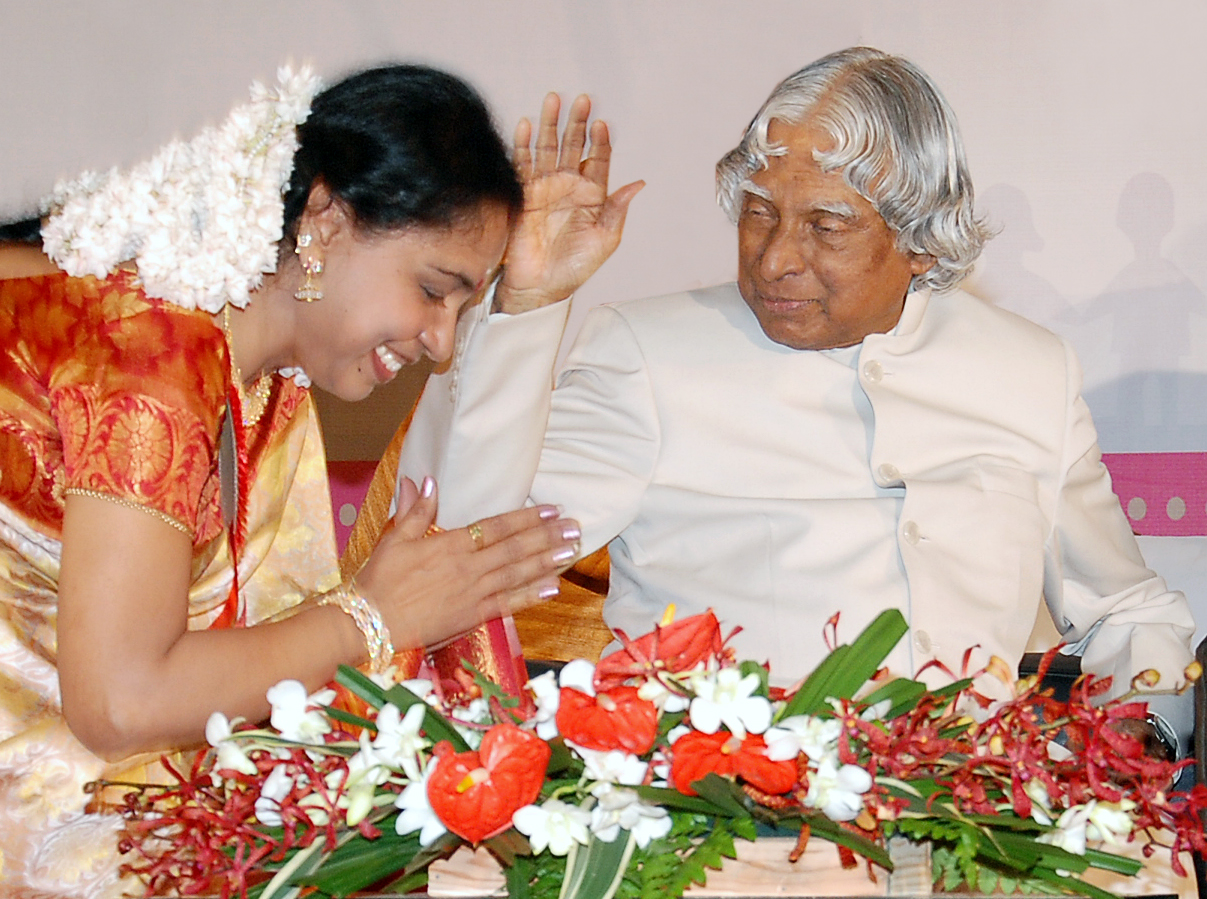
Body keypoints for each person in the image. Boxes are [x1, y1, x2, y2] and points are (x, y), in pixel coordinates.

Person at [0, 64, 638, 899]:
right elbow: (124, 702)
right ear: (325, 219)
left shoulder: (261, 388)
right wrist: (374, 615)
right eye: (433, 290)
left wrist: (527, 306)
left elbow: (272, 667)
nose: (440, 341)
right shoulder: (152, 346)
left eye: (462, 309)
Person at [400, 47, 1195, 745]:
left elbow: (1126, 610)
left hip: (970, 832)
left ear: (921, 241)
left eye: (825, 225)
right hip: (716, 827)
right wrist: (525, 306)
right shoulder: (650, 353)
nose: (775, 257)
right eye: (758, 214)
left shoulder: (1027, 370)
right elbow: (468, 543)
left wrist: (1149, 733)